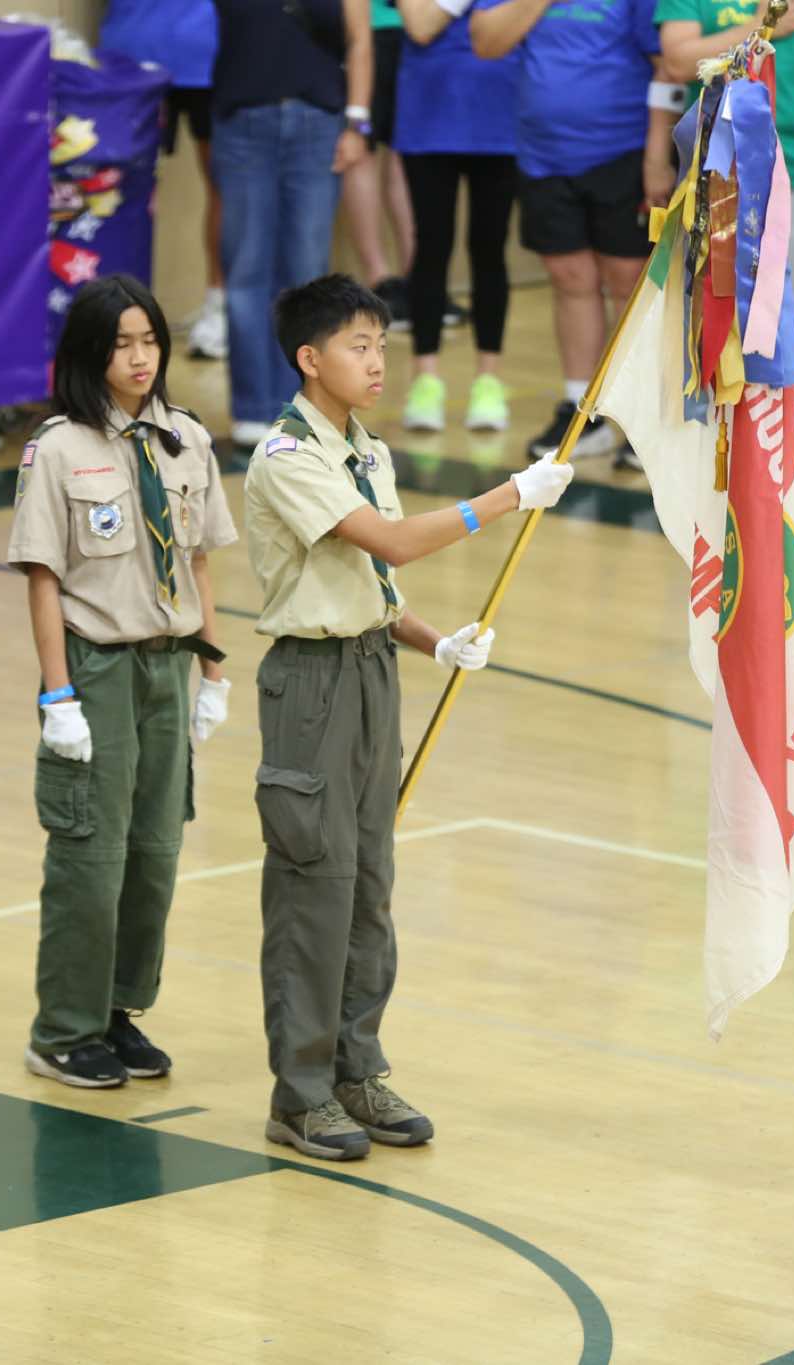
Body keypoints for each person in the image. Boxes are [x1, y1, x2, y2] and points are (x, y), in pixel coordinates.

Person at [242, 275, 574, 1160]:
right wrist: (507, 495)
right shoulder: (289, 456)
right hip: (311, 684)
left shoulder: (369, 452)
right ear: (310, 359)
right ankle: (300, 1092)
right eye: (358, 347)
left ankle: (357, 1067)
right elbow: (390, 542)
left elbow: (376, 587)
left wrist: (436, 642)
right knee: (316, 885)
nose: (377, 362)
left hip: (371, 672)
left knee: (370, 882)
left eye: (382, 346)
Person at [6, 275, 235, 1089]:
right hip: (97, 666)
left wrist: (213, 671)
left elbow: (198, 560)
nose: (140, 358)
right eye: (122, 344)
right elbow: (43, 577)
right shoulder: (59, 448)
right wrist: (57, 695)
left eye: (150, 341)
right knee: (91, 853)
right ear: (90, 354)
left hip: (168, 664)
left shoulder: (186, 438)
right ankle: (62, 1029)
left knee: (155, 847)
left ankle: (117, 1009)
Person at [655, 0, 794, 494]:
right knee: (714, 300)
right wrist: (759, 28)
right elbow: (677, 59)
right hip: (718, 165)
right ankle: (713, 426)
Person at [473, 0, 660, 466]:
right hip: (543, 156)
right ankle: (582, 412)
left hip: (623, 151)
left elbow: (668, 65)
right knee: (570, 278)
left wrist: (659, 154)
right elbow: (486, 41)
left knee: (629, 283)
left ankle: (647, 420)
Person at [211, 0, 374, 450]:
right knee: (246, 268)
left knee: (306, 274)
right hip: (242, 118)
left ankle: (299, 407)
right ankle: (251, 407)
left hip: (318, 121)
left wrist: (358, 121)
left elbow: (360, 39)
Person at [392, 0, 519, 434]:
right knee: (431, 247)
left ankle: (489, 380)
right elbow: (420, 24)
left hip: (502, 116)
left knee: (489, 249)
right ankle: (425, 379)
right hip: (429, 118)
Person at [96, 0, 230, 360]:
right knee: (118, 187)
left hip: (212, 50)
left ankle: (220, 306)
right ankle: (114, 312)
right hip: (133, 50)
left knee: (226, 183)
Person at [344, 0, 418, 327]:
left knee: (408, 155)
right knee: (361, 150)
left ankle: (419, 277)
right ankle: (379, 280)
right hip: (364, 27)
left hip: (420, 27)